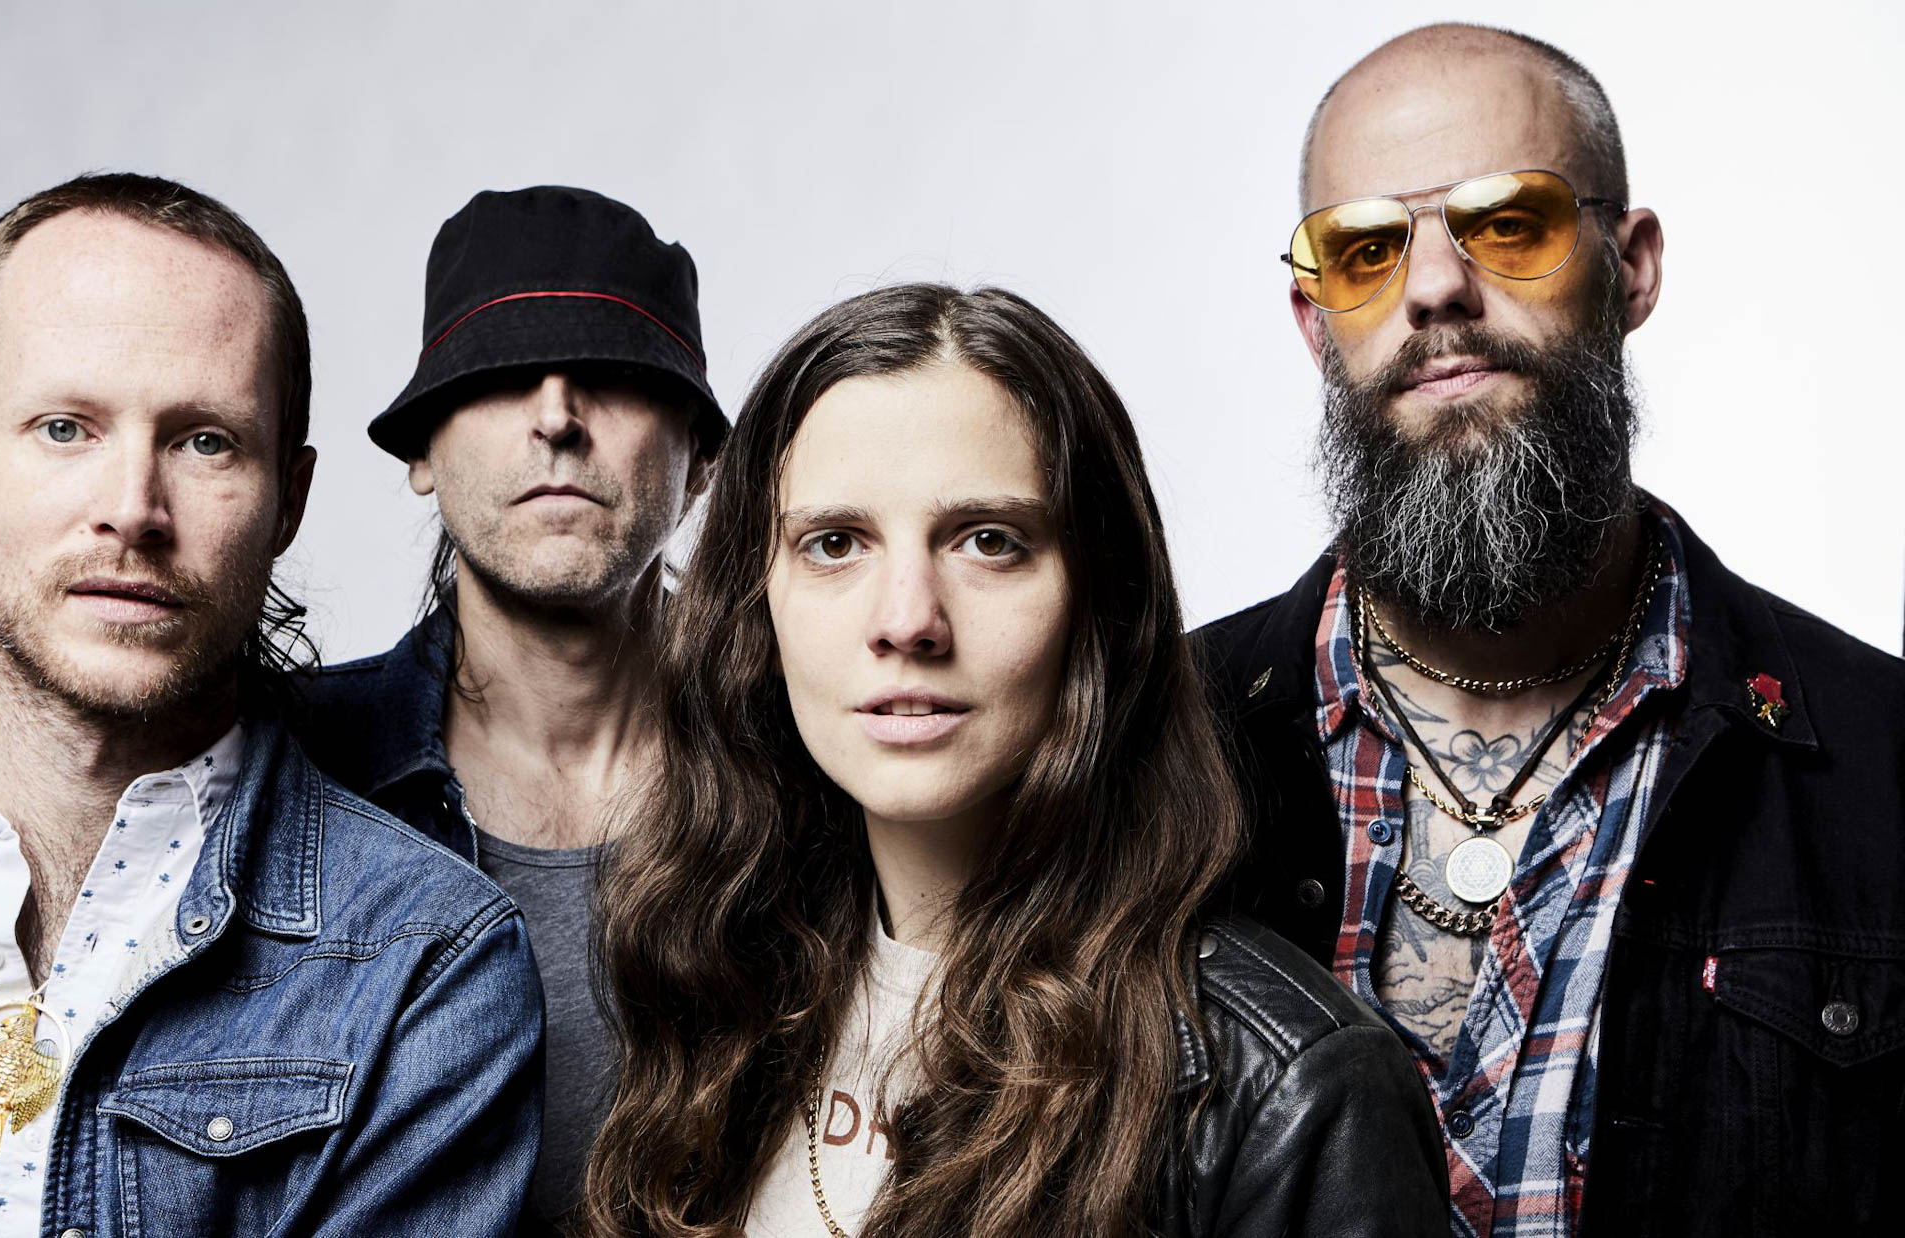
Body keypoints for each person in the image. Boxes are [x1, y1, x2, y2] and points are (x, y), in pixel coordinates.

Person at [0, 183, 721, 1234]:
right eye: (500, 375)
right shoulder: (267, 741)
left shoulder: (798, 783)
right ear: (419, 452)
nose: (557, 419)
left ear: (708, 458)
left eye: (205, 441)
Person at [1199, 23, 1905, 1236]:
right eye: (1364, 250)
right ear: (1315, 324)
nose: (1433, 288)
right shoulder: (1142, 748)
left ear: (1630, 269)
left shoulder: (1884, 766)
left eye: (1509, 223)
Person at [583, 283, 1450, 1238]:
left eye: (988, 542)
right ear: (759, 605)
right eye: (834, 544)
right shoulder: (711, 975)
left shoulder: (1297, 1089)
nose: (907, 620)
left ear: (1100, 607)